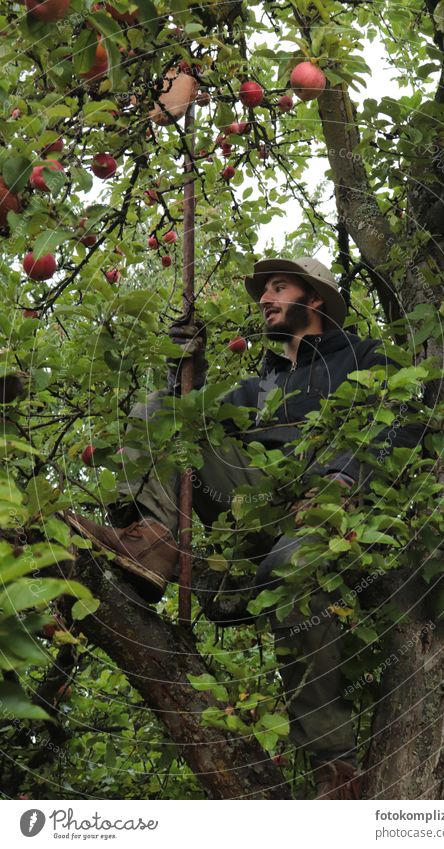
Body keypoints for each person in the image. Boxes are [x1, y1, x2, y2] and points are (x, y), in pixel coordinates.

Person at [66, 256, 423, 799]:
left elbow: (399, 414)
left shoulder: (363, 356)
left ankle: (333, 767)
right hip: (258, 506)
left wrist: (341, 479)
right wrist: (189, 365)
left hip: (331, 509)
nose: (264, 298)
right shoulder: (260, 385)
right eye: (263, 291)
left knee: (292, 572)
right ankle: (153, 546)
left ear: (316, 299)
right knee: (161, 407)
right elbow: (192, 417)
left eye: (278, 287)